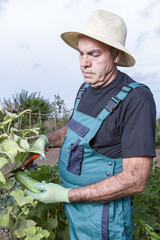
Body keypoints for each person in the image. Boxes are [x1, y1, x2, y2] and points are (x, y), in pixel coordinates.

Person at [27, 9, 156, 239]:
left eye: (94, 55)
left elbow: (135, 180)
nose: (84, 64)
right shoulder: (86, 87)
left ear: (115, 55)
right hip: (76, 210)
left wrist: (66, 195)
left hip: (105, 218)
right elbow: (76, 129)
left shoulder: (137, 99)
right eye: (81, 54)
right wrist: (45, 140)